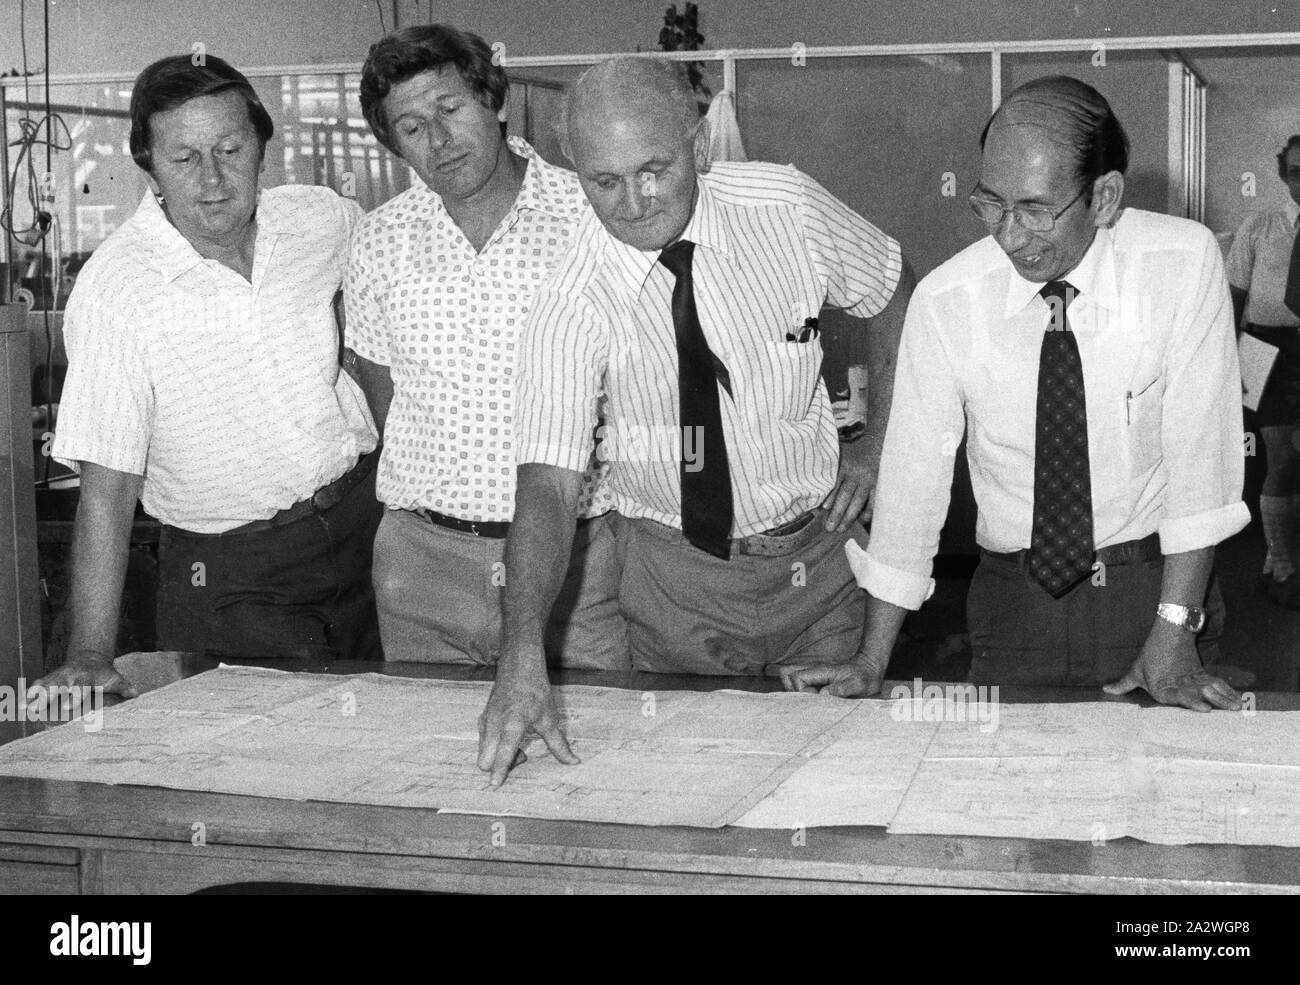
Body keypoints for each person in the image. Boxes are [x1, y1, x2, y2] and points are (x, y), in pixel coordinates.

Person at [477, 56, 914, 784]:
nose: (635, 201)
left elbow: (895, 298)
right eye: (603, 181)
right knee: (695, 786)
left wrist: (875, 449)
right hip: (678, 583)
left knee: (841, 782)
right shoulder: (569, 300)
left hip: (821, 568)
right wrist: (521, 653)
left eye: (654, 167)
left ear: (699, 145)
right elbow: (548, 489)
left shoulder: (786, 207)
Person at [784, 76, 1248, 712]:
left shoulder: (1179, 264)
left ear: (1105, 197)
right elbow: (912, 487)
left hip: (1159, 589)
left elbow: (1204, 465)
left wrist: (1172, 631)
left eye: (1034, 210)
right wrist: (870, 659)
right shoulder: (949, 301)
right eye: (989, 205)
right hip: (1014, 603)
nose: (1008, 236)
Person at [33, 53, 381, 705]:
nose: (214, 179)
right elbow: (107, 490)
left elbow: (398, 269)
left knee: (392, 745)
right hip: (234, 574)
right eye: (185, 158)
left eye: (230, 148)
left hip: (368, 528)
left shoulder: (317, 219)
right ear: (150, 166)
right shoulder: (118, 291)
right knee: (268, 774)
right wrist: (89, 653)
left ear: (261, 149)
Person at [347, 25, 626, 668]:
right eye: (412, 128)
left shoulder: (591, 217)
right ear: (394, 145)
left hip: (574, 566)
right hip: (421, 569)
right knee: (425, 760)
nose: (439, 140)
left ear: (494, 101)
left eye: (450, 109)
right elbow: (387, 398)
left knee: (594, 758)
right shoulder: (379, 240)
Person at [1227, 135, 1300, 608]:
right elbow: (1231, 300)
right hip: (1262, 347)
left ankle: (1280, 561)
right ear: (1282, 175)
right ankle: (1283, 563)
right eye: (1296, 171)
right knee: (1281, 459)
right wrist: (1227, 363)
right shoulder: (1258, 226)